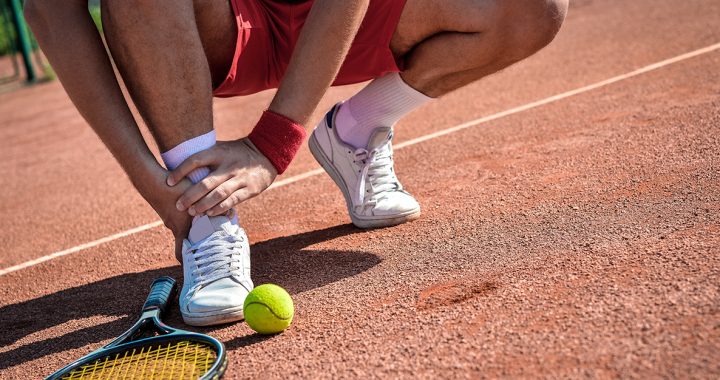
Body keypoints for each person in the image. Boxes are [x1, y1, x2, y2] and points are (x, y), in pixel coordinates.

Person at [24, 0, 568, 326]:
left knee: (532, 6)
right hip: (219, 23)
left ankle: (354, 131)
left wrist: (274, 143)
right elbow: (50, 10)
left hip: (341, 18)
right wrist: (152, 181)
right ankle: (205, 214)